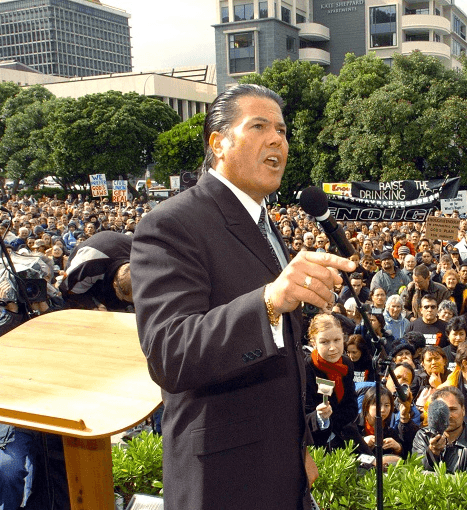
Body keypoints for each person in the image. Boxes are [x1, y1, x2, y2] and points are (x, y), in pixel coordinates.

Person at [131, 84, 357, 509]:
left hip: (280, 470)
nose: (277, 139)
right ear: (218, 143)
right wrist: (269, 301)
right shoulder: (172, 224)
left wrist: (299, 446)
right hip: (223, 480)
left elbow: (286, 360)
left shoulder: (265, 225)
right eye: (259, 126)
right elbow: (169, 353)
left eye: (282, 130)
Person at [410, 386, 467, 474]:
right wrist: (432, 453)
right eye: (442, 410)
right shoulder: (424, 436)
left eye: (453, 410)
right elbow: (416, 474)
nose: (448, 416)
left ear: (463, 410)